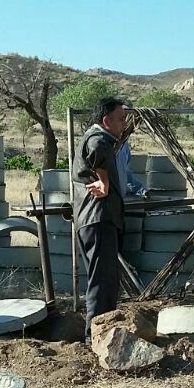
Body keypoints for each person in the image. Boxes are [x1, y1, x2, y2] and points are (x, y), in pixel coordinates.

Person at [74, 96, 128, 342]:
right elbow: (96, 150)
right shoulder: (99, 139)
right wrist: (105, 181)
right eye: (120, 119)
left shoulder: (96, 138)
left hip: (92, 220)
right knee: (102, 280)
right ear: (106, 121)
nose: (123, 124)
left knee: (105, 278)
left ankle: (99, 333)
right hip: (99, 218)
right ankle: (95, 337)